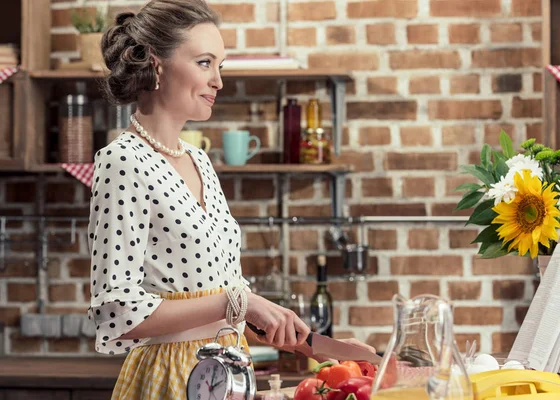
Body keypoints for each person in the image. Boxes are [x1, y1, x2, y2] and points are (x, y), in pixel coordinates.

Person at [88, 1, 375, 399]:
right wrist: (236, 301)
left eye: (220, 65)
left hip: (227, 372)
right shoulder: (122, 161)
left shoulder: (199, 160)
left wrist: (322, 348)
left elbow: (226, 293)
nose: (218, 81)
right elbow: (116, 310)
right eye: (205, 62)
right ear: (156, 64)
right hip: (174, 378)